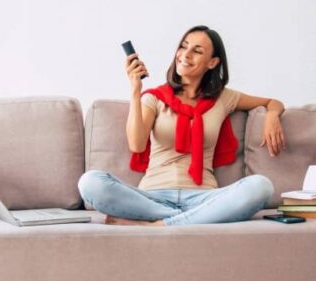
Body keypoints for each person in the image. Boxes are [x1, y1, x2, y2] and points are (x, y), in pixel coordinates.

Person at [78, 25, 286, 226]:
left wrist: (272, 116)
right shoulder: (155, 98)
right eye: (183, 46)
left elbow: (272, 102)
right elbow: (137, 145)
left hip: (203, 196)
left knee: (261, 186)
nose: (185, 54)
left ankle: (161, 224)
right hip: (151, 198)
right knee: (90, 182)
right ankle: (192, 219)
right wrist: (135, 89)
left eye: (197, 51)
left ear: (212, 62)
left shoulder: (223, 98)